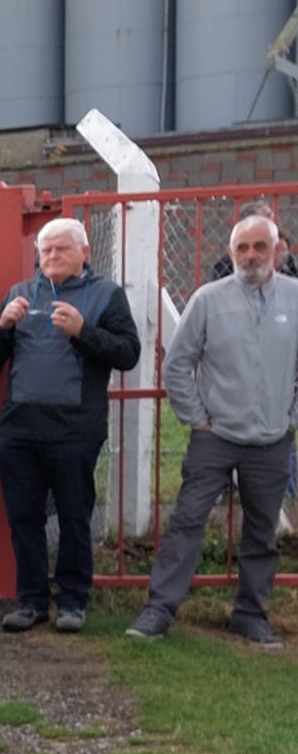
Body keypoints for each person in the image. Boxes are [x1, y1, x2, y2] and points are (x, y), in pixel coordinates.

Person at [127, 213, 298, 650]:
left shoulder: (295, 299)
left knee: (261, 533)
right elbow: (178, 363)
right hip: (214, 438)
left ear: (278, 250)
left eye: (260, 246)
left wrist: (290, 417)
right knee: (186, 522)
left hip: (272, 441)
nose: (251, 256)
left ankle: (250, 616)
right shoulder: (208, 299)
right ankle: (158, 611)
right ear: (230, 253)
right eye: (242, 248)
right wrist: (197, 418)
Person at [0, 216, 141, 633]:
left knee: (73, 519)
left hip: (75, 431)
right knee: (24, 520)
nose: (51, 256)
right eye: (45, 249)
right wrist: (1, 327)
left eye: (61, 249)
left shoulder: (106, 295)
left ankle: (72, 602)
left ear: (84, 253)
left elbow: (128, 353)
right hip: (19, 431)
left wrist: (83, 331)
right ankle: (31, 601)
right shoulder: (19, 294)